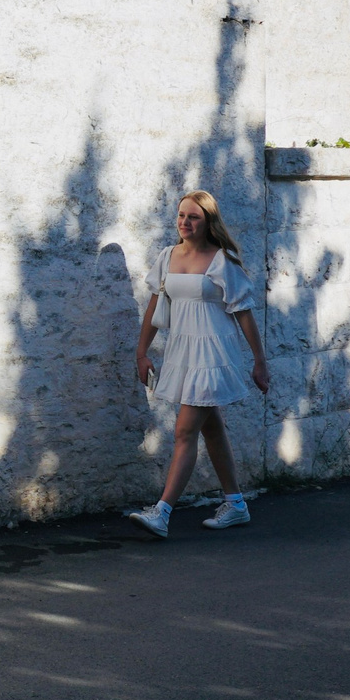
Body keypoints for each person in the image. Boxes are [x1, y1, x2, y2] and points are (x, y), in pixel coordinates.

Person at [127, 190, 271, 536]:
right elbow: (153, 308)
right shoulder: (167, 256)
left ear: (208, 221)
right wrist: (142, 352)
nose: (185, 223)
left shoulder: (223, 261)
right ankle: (236, 504)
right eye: (181, 216)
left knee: (184, 430)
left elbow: (244, 315)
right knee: (211, 427)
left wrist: (259, 362)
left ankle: (161, 513)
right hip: (183, 351)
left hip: (213, 354)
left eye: (193, 217)